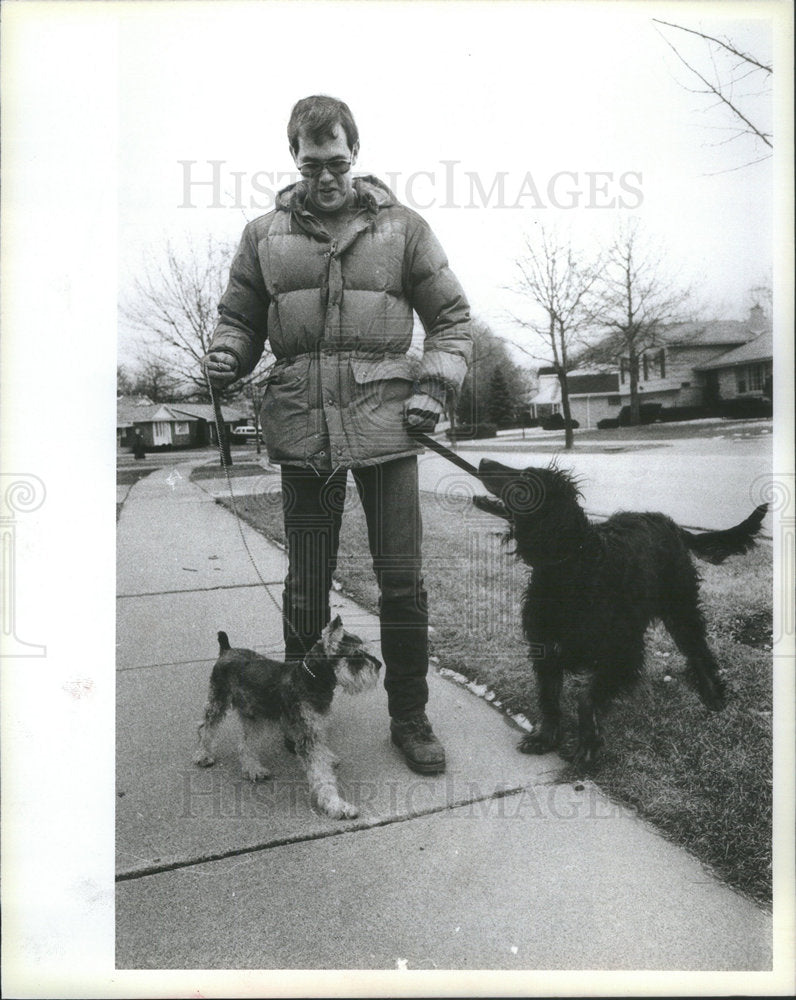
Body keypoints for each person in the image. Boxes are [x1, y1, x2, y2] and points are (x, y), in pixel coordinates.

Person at [203, 95, 472, 775]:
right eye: (312, 161)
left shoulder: (404, 229)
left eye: (338, 161)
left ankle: (409, 717)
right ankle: (302, 717)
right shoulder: (263, 235)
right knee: (306, 586)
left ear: (355, 155)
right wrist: (228, 353)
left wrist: (433, 388)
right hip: (302, 432)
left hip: (389, 426)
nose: (326, 175)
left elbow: (452, 319)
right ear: (294, 157)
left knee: (402, 582)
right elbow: (239, 316)